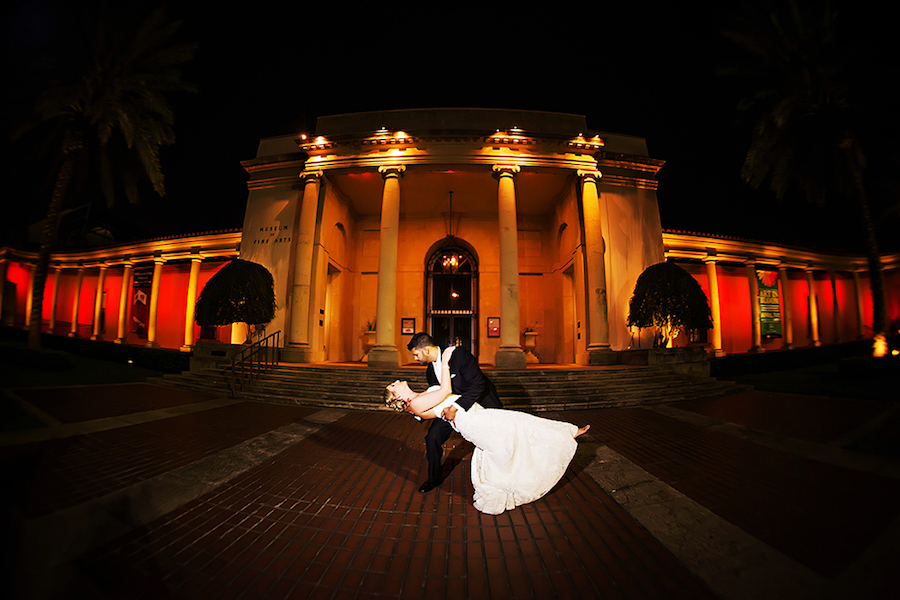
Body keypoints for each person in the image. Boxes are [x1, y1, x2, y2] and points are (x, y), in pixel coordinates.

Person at [385, 346, 590, 515]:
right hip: (469, 419)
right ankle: (563, 437)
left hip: (473, 412)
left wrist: (449, 407)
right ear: (398, 397)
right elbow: (446, 391)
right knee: (513, 430)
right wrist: (446, 363)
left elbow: (444, 399)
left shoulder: (417, 398)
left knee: (514, 424)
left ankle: (566, 432)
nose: (397, 382)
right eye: (393, 385)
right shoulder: (416, 403)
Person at [406, 332, 502, 493]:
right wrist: (418, 411)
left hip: (479, 403)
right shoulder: (430, 371)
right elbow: (436, 394)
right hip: (450, 408)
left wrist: (455, 407)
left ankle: (498, 478)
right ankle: (433, 479)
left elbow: (478, 385)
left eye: (416, 354)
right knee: (432, 437)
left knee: (495, 441)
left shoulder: (459, 356)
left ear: (427, 350)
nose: (415, 359)